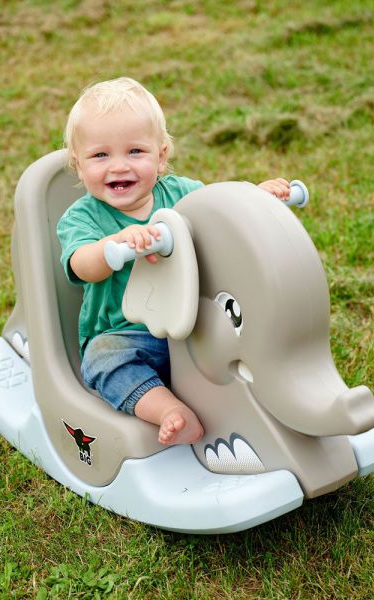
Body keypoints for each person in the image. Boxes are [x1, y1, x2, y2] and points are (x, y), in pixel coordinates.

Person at [57, 77, 290, 445]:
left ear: (161, 155)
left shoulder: (184, 194)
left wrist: (254, 198)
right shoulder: (82, 217)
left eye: (135, 151)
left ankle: (275, 397)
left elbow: (220, 215)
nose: (118, 166)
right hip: (128, 335)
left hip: (194, 324)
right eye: (100, 155)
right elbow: (82, 265)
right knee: (102, 360)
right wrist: (113, 245)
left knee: (250, 322)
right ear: (78, 164)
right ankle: (166, 409)